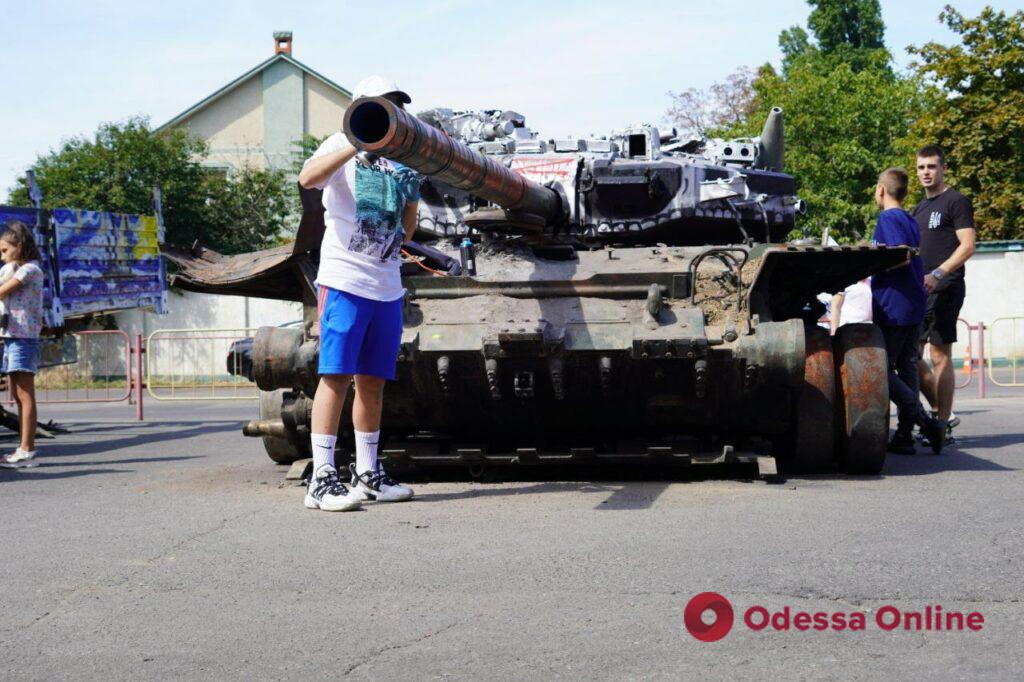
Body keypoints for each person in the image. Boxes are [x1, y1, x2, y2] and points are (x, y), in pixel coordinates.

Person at [296, 75, 419, 511]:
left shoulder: (406, 158)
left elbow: (409, 224)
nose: (394, 114)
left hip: (386, 286)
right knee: (335, 376)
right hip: (345, 280)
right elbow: (308, 179)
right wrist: (355, 141)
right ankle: (322, 479)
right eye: (385, 107)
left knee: (373, 382)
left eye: (398, 107)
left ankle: (367, 473)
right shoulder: (338, 144)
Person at [870, 169, 944, 455]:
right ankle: (904, 434)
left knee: (881, 370)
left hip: (894, 305)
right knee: (908, 367)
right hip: (912, 302)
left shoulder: (888, 218)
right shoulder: (910, 219)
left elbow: (898, 256)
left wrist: (869, 264)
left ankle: (924, 423)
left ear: (880, 190)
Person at [912, 145, 976, 438]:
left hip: (945, 285)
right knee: (909, 357)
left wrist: (938, 273)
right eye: (921, 167)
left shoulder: (957, 201)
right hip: (919, 288)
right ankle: (942, 415)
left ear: (943, 168)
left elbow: (967, 245)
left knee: (939, 355)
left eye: (932, 166)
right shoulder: (918, 209)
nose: (926, 172)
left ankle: (941, 425)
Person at [0, 221, 45, 469]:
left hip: (23, 336)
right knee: (17, 394)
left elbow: (2, 291)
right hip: (13, 335)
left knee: (25, 395)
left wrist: (8, 268)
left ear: (20, 245)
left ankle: (27, 449)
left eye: (5, 250)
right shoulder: (23, 269)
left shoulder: (29, 270)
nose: (3, 256)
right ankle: (22, 448)